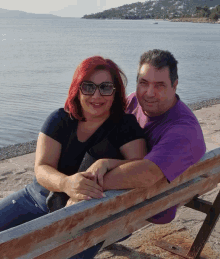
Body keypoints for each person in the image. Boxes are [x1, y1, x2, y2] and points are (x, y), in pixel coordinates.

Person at [0, 56, 147, 255]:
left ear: (115, 92)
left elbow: (140, 167)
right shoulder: (59, 119)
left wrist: (106, 163)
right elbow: (42, 167)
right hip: (37, 197)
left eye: (105, 87)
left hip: (86, 216)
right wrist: (67, 183)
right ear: (77, 89)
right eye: (88, 87)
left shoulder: (125, 126)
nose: (96, 95)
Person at [96, 49, 206, 224]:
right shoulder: (133, 101)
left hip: (149, 207)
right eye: (144, 82)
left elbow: (147, 174)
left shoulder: (183, 130)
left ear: (174, 85)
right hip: (129, 197)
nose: (149, 92)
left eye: (159, 85)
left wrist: (88, 181)